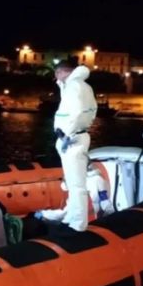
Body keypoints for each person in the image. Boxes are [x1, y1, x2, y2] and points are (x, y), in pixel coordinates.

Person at [49, 59, 97, 232]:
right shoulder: (84, 86)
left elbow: (76, 111)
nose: (56, 79)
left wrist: (67, 134)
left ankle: (78, 224)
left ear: (62, 72)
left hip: (71, 139)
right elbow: (91, 111)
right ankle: (72, 216)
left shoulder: (74, 87)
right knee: (72, 181)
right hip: (76, 136)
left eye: (57, 74)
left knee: (76, 183)